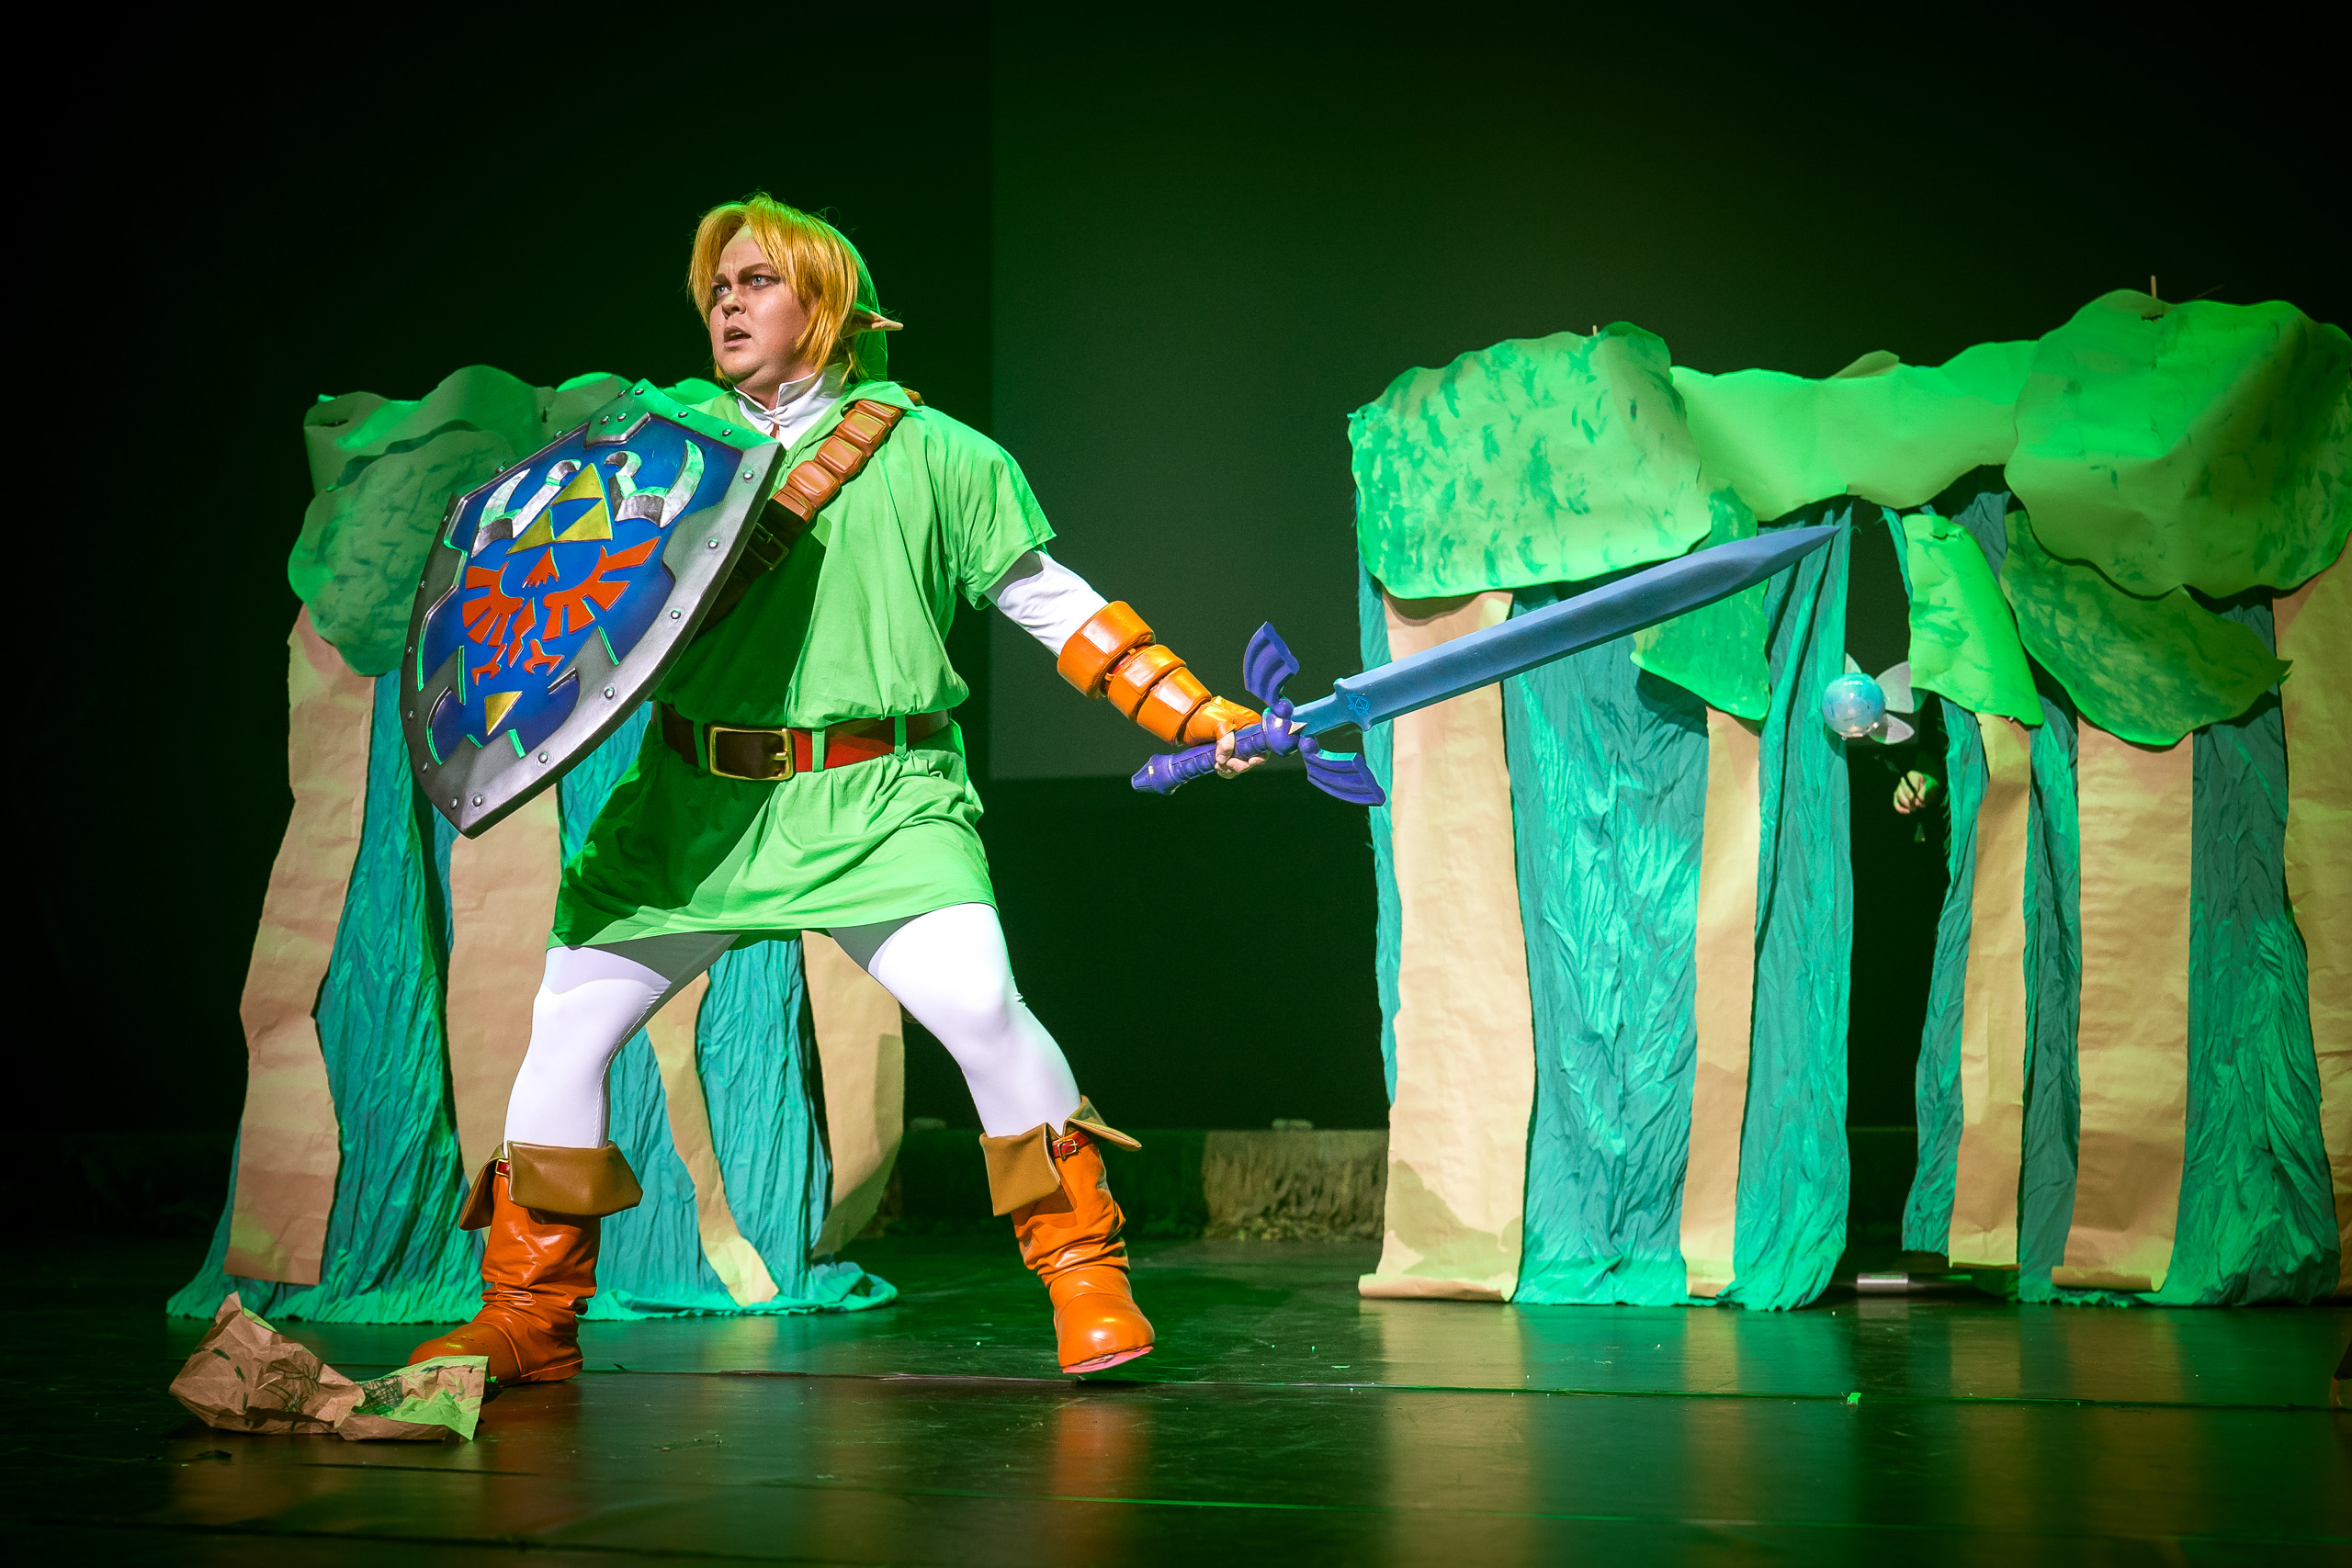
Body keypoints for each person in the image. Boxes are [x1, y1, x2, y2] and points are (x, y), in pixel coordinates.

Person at [409, 195, 1264, 1384]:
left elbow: (1047, 600)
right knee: (566, 1028)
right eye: (718, 288)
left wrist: (1192, 712)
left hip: (881, 797)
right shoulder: (658, 453)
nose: (728, 305)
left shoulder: (944, 456)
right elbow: (542, 583)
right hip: (694, 807)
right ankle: (527, 1317)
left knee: (981, 1010)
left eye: (757, 282)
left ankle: (1087, 1280)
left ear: (828, 306)